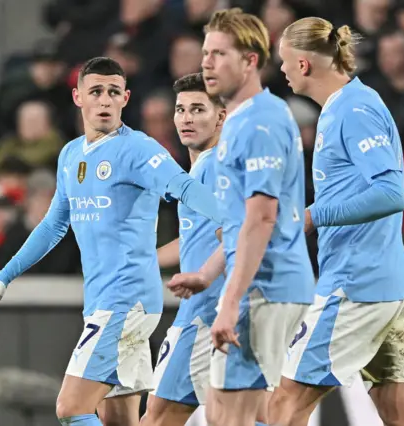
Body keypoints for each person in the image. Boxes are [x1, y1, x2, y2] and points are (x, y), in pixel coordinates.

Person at [0, 57, 221, 426]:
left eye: (113, 92)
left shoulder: (139, 148)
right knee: (118, 420)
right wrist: (2, 278)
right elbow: (54, 225)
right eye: (96, 92)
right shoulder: (71, 155)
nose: (105, 100)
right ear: (78, 97)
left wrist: (236, 219)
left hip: (125, 301)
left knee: (71, 408)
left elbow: (182, 186)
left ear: (125, 98)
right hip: (104, 301)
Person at [270, 16, 404, 426]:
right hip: (384, 285)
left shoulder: (355, 109)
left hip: (356, 285)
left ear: (304, 64)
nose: (281, 70)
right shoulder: (348, 105)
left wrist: (314, 214)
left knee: (283, 403)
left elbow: (392, 193)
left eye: (284, 61)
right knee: (403, 413)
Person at [167, 9, 314, 426]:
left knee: (234, 416)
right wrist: (207, 276)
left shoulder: (260, 122)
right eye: (206, 53)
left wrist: (228, 302)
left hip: (266, 288)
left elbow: (261, 219)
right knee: (231, 414)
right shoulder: (240, 123)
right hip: (259, 286)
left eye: (220, 54)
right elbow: (237, 226)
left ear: (250, 60)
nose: (207, 63)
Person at [140, 72, 226, 426]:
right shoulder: (199, 169)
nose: (187, 118)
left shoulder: (215, 166)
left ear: (221, 116)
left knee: (158, 418)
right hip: (218, 309)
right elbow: (197, 236)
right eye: (180, 109)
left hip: (206, 312)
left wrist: (208, 279)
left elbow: (235, 235)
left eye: (197, 109)